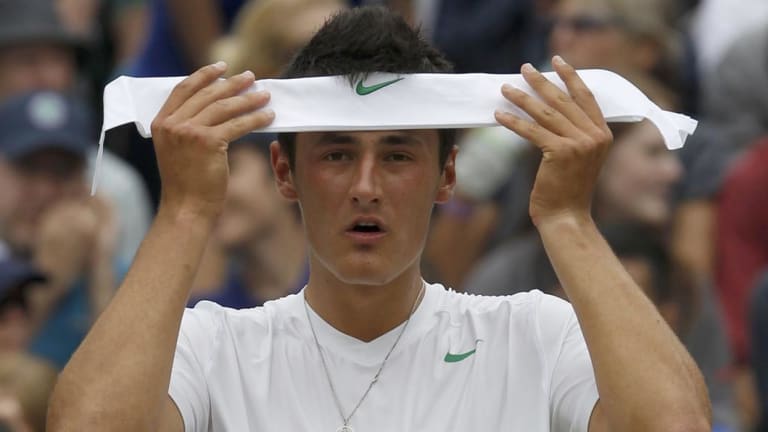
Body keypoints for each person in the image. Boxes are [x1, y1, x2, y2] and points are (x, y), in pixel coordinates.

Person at [48, 7, 710, 431]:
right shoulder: (211, 345)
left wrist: (569, 220)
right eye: (337, 155)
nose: (366, 188)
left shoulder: (534, 334)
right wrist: (185, 210)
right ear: (285, 172)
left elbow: (675, 424)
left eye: (397, 156)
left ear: (446, 176)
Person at [0, 91, 120, 368]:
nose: (44, 191)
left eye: (62, 172)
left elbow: (131, 384)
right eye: (28, 168)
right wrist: (46, 283)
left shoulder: (121, 273)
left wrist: (100, 270)